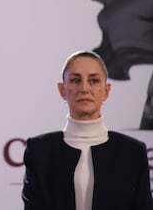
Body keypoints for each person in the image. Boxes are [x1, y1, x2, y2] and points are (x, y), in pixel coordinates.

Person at [22, 50, 153, 210]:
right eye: (76, 80)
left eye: (94, 80)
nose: (84, 88)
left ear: (106, 90)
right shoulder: (39, 150)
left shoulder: (132, 151)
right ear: (62, 90)